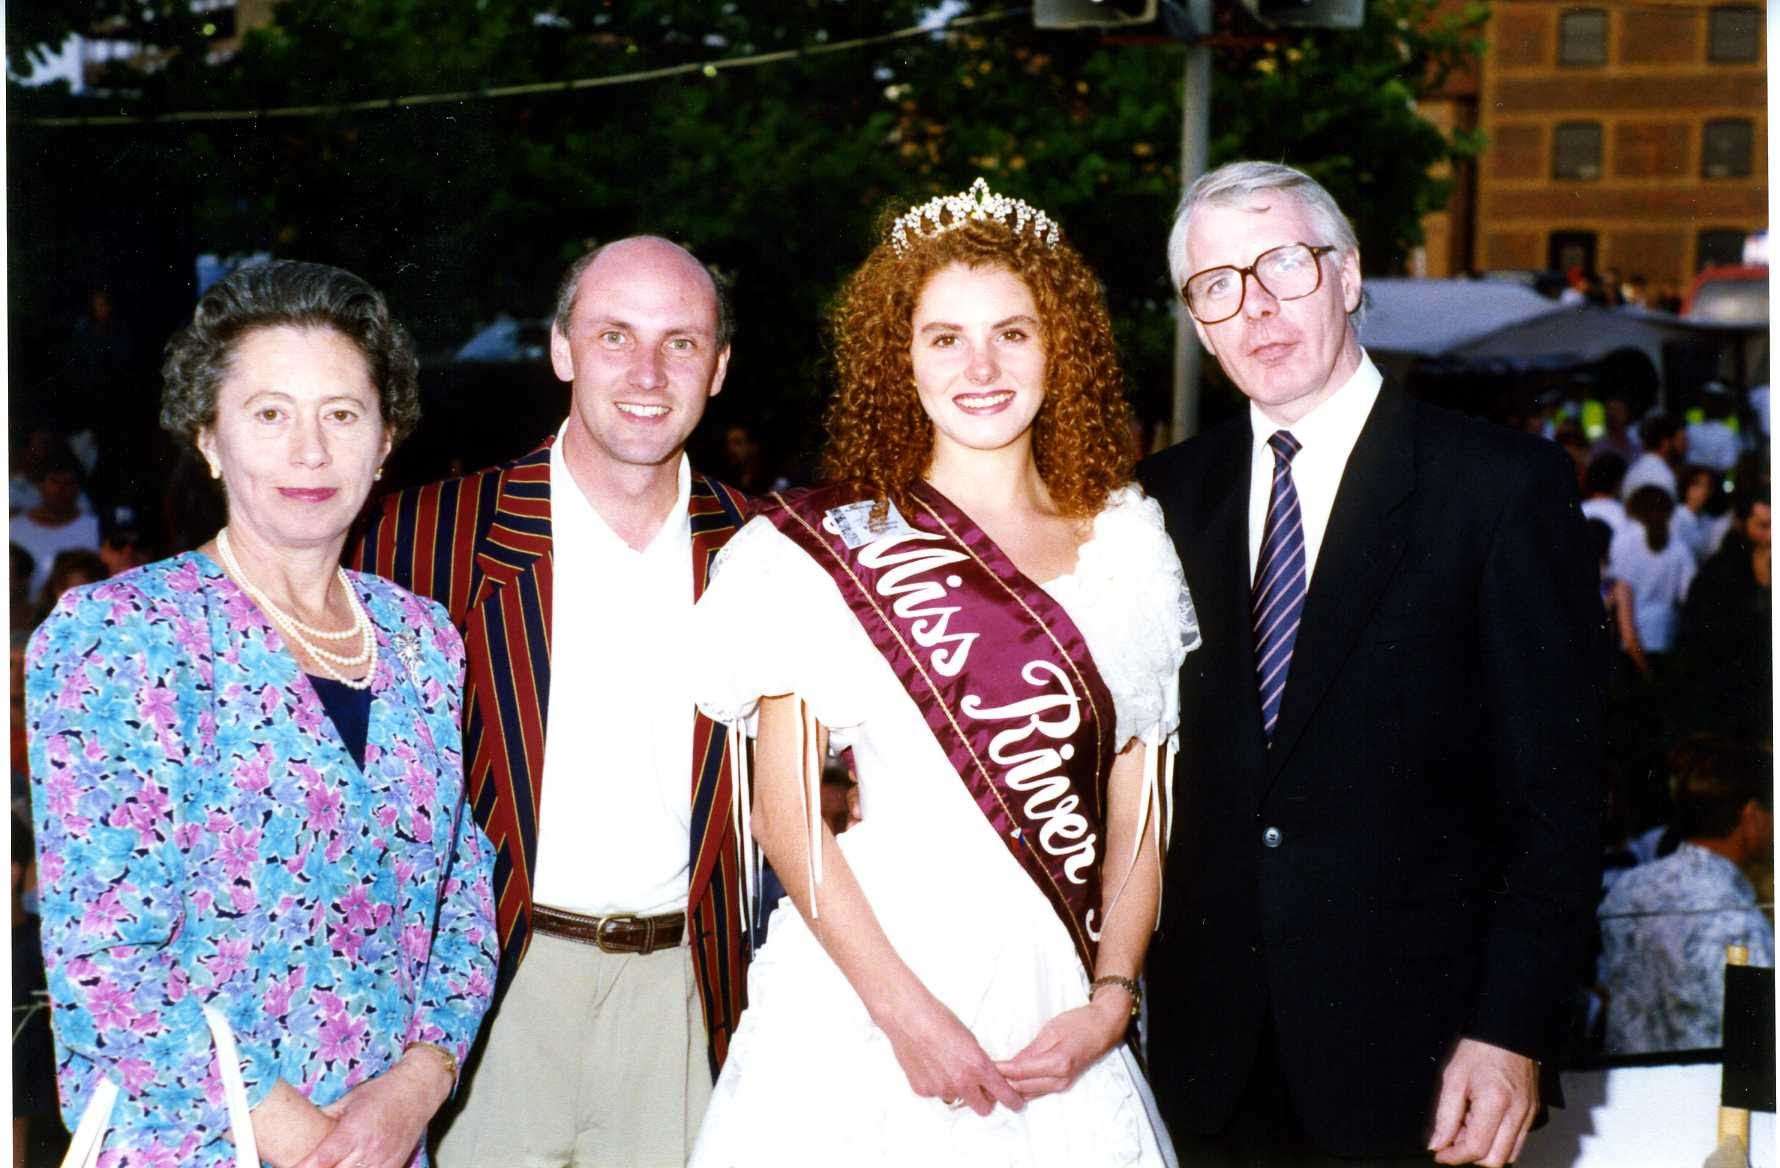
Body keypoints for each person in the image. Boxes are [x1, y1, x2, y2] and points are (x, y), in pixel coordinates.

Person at [684, 179, 1196, 1166]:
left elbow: (1139, 806)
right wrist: (903, 1015)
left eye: (1013, 332)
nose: (981, 366)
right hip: (862, 990)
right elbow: (787, 815)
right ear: (899, 357)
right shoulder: (813, 549)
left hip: (1056, 993)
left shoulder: (1129, 544)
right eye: (943, 336)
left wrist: (1111, 997)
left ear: (1061, 348)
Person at [1139, 161, 1601, 1168]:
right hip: (1204, 1067)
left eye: (1284, 266)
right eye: (1217, 285)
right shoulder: (1161, 502)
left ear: (1347, 275)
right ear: (1196, 321)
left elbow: (1560, 795)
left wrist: (1512, 1028)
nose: (1254, 307)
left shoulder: (1494, 486)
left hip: (1424, 1068)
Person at [25, 260, 499, 1168]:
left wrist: (418, 1086)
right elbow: (107, 962)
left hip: (388, 1141)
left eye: (342, 414)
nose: (310, 452)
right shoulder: (121, 637)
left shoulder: (422, 639)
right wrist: (310, 1142)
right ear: (209, 438)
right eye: (270, 413)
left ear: (386, 439)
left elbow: (461, 898)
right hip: (198, 1143)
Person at [353, 236, 751, 1166]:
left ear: (720, 368)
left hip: (687, 1004)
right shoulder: (423, 539)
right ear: (562, 349)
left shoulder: (764, 553)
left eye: (682, 343)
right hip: (488, 999)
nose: (648, 371)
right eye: (615, 335)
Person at [1598, 737, 1774, 1054]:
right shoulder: (1739, 919)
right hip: (1708, 1095)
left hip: (1625, 1090)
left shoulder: (1628, 889)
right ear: (1751, 816)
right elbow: (1758, 1047)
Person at [1673, 490, 1772, 743]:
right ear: (1742, 524)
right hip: (1726, 695)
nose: (1771, 536)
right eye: (1763, 526)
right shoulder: (1719, 571)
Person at [1609, 485, 1696, 678]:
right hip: (1665, 638)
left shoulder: (1623, 542)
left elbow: (1622, 603)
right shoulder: (1680, 548)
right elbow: (1687, 596)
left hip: (1629, 648)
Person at [9, 442, 100, 604]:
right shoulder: (12, 528)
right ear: (40, 485)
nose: (61, 489)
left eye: (69, 483)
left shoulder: (95, 527)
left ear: (78, 487)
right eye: (55, 482)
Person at [1621, 411, 1685, 500]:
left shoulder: (1634, 469)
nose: (1684, 445)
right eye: (1680, 440)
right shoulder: (1661, 475)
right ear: (1665, 443)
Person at [1685, 383, 1741, 474]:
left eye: (1713, 401)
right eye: (1707, 400)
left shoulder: (1728, 431)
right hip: (1692, 475)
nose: (1709, 404)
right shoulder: (1691, 428)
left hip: (1716, 478)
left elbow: (1728, 463)